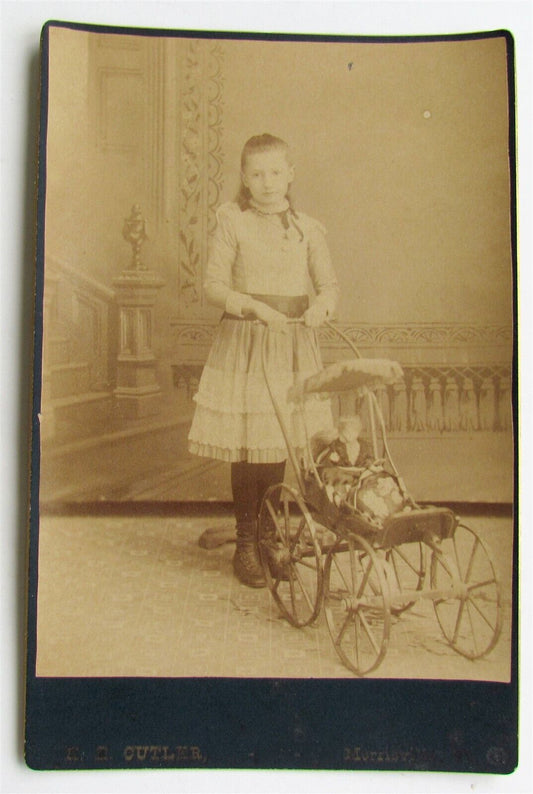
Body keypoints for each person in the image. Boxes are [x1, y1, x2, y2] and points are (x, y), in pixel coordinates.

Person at [188, 133, 339, 587]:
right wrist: (253, 307)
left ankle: (273, 538)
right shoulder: (233, 221)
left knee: (279, 442)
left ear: (290, 174)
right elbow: (213, 285)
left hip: (292, 344)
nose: (267, 182)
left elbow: (329, 286)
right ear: (244, 177)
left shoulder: (308, 228)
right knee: (249, 442)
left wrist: (320, 308)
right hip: (247, 339)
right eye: (257, 173)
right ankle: (247, 542)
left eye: (276, 172)